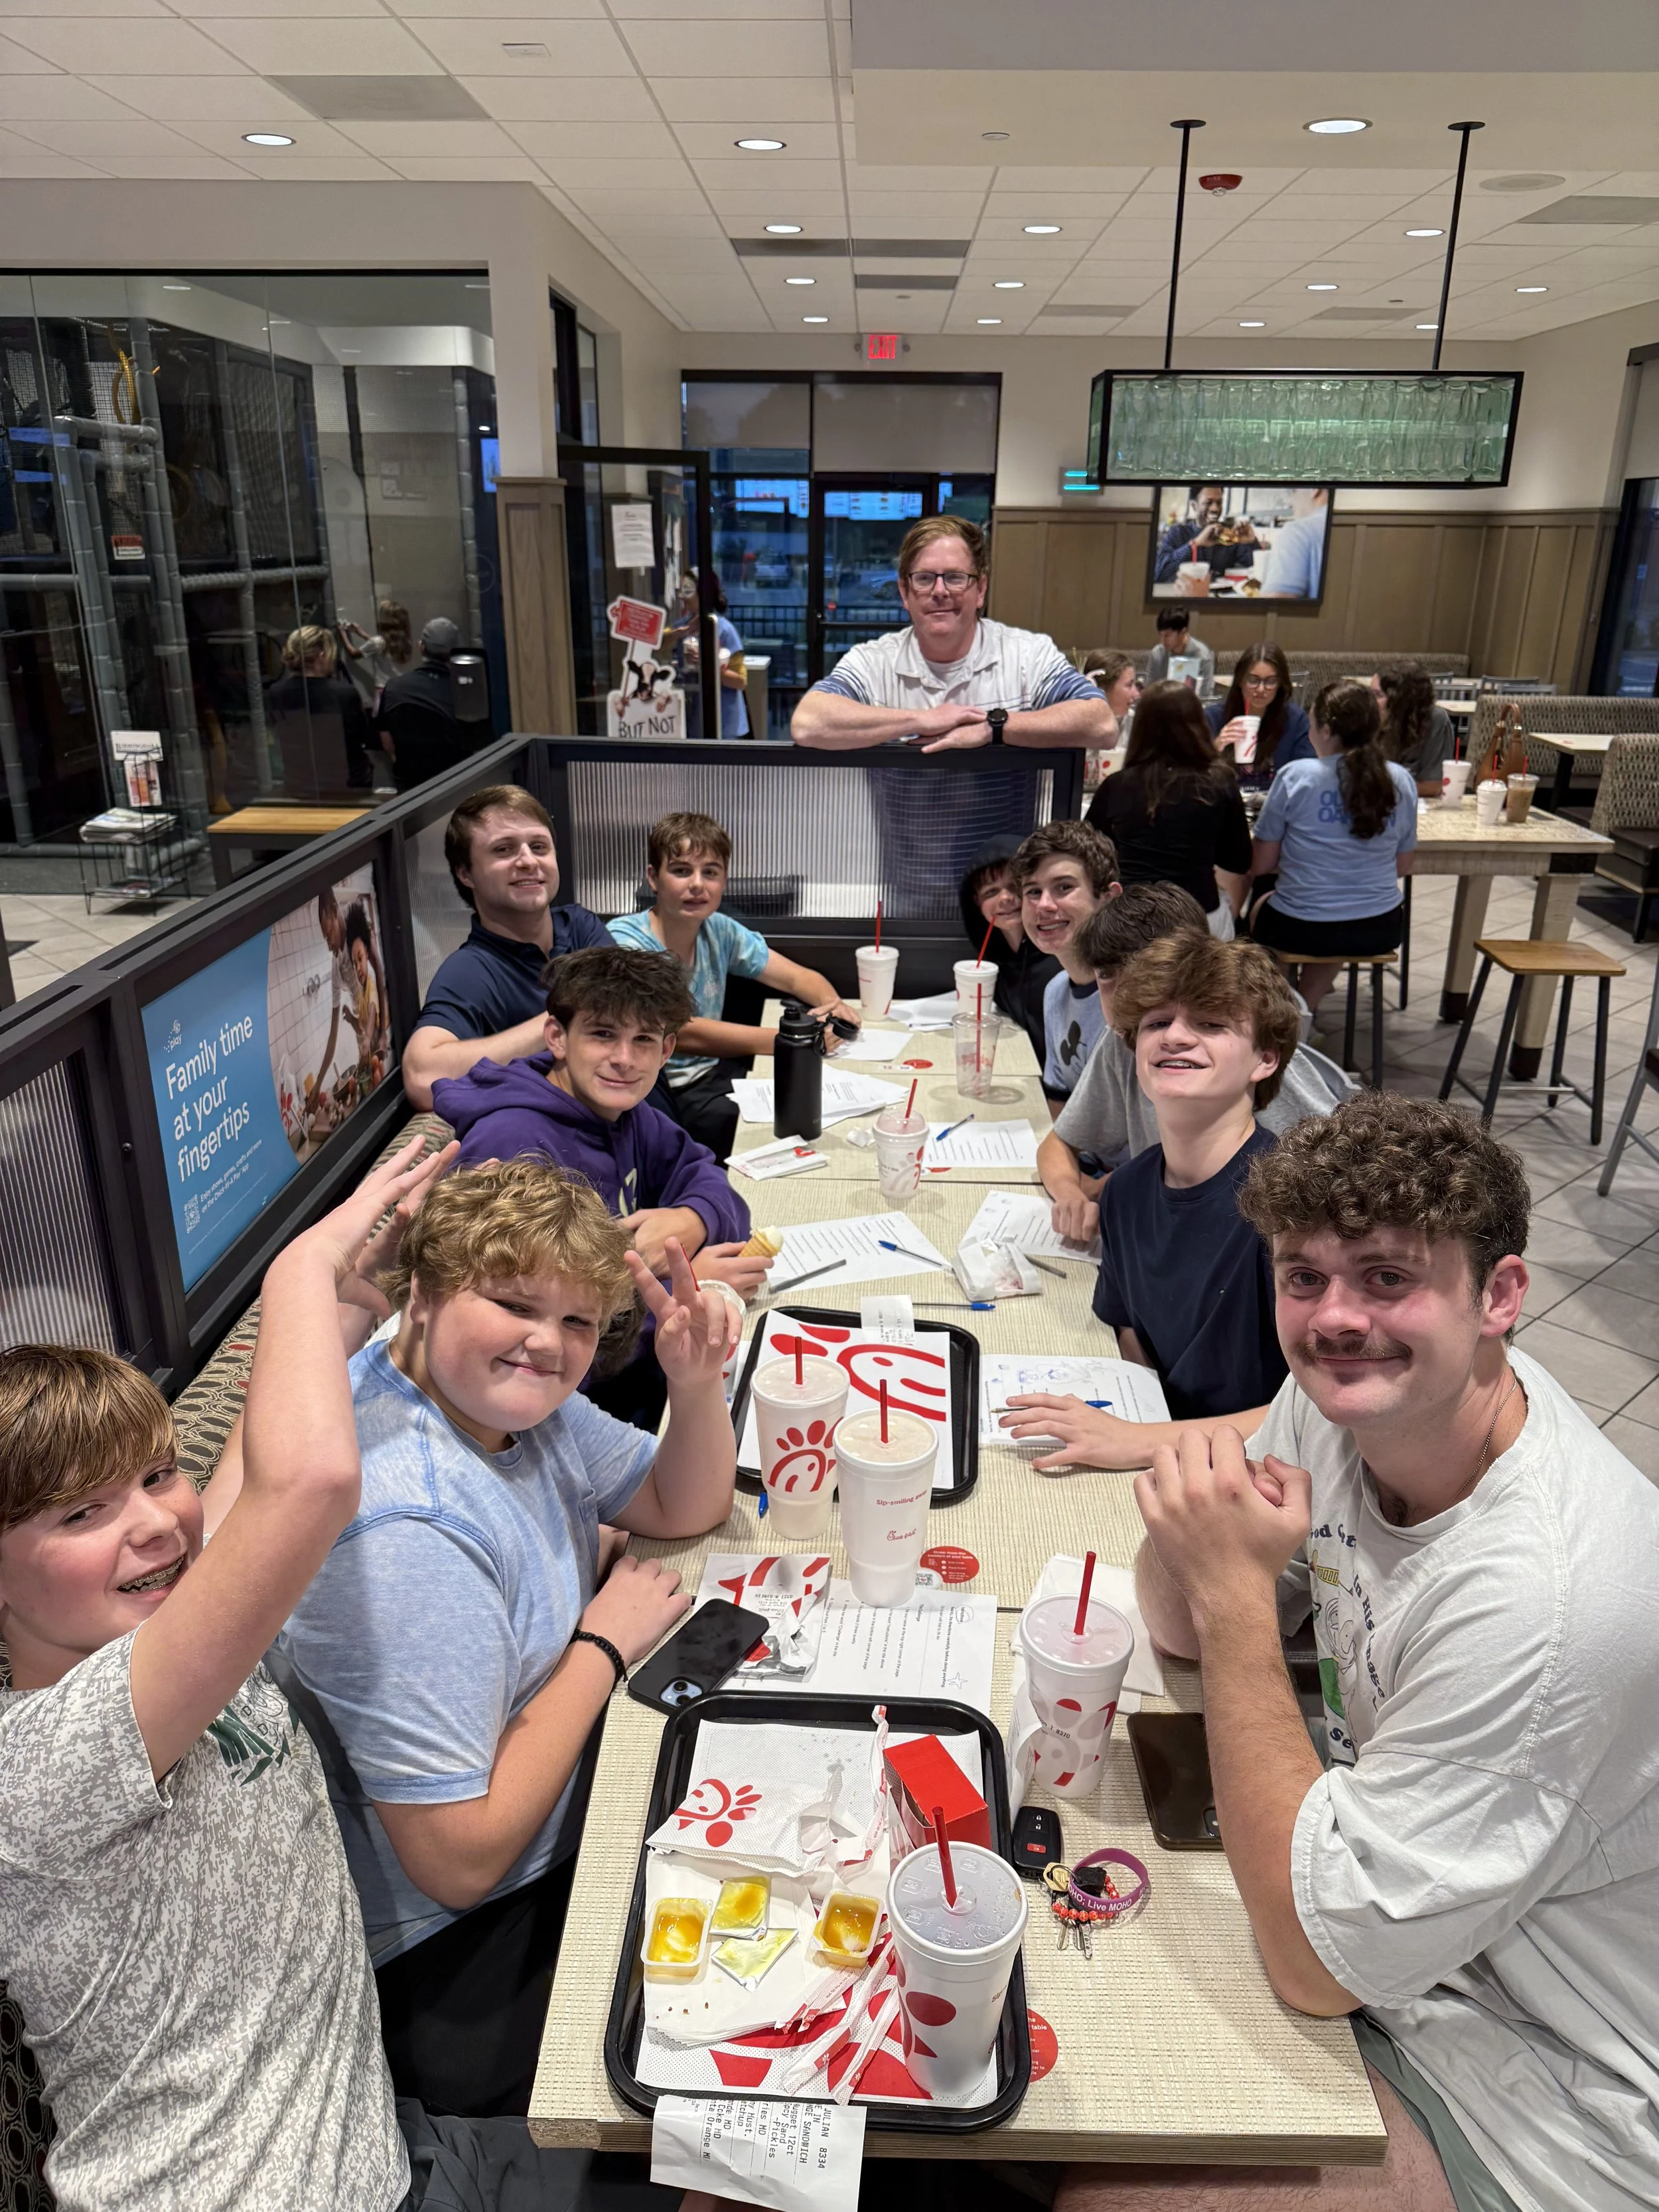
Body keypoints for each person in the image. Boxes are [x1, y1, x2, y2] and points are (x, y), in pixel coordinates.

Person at [0, 1140, 679, 2210]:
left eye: (153, 1474)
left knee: (745, 2136)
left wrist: (352, 1308)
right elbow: (307, 1481)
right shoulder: (52, 1749)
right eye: (79, 1515)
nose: (149, 1526)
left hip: (386, 2146)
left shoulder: (172, 1624)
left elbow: (226, 1507)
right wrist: (298, 1268)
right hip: (248, 2193)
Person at [1120, 1093, 1659, 2212]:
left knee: (1126, 2162)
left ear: (1499, 1295)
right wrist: (1208, 1549)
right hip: (1401, 1931)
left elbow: (1316, 1966)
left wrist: (1230, 1593)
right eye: (1304, 1276)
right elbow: (1175, 1624)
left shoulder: (1547, 1597)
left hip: (1543, 2082)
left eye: (1387, 1276)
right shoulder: (1350, 1401)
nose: (1335, 1317)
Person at [270, 1157, 738, 2119]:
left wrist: (693, 1387)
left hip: (547, 1817)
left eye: (575, 1321)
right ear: (428, 1294)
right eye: (514, 1302)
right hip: (456, 1944)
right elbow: (457, 1857)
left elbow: (678, 1502)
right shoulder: (407, 1531)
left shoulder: (500, 1401)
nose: (547, 1343)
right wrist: (600, 1648)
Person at [1001, 932, 1300, 1473]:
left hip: (1260, 1473)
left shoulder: (1291, 1204)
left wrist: (1142, 1440)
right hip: (1164, 1452)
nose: (1176, 1037)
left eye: (1210, 1024)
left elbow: (1317, 1410)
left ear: (1265, 1059)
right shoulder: (1126, 1191)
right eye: (1157, 1023)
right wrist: (1139, 1422)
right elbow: (1132, 1332)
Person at [432, 947, 764, 1428]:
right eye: (603, 1033)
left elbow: (715, 1183)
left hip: (643, 1374)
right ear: (557, 1037)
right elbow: (527, 1340)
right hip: (559, 1415)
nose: (624, 1059)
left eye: (644, 1039)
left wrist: (692, 1220)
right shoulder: (513, 1146)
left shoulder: (627, 1114)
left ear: (667, 1049)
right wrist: (681, 1289)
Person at [1037, 883, 1338, 1240]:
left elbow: (1342, 1169)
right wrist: (1075, 1194)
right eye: (1106, 978)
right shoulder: (1125, 1040)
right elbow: (1061, 1142)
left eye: (1148, 978)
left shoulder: (1242, 1058)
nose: (1125, 997)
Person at [609, 811, 859, 1162]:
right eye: (681, 871)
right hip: (656, 1089)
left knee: (813, 1114)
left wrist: (833, 1004)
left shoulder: (720, 929)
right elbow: (677, 1030)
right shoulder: (627, 941)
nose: (698, 884)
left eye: (710, 872)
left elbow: (797, 977)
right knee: (776, 1136)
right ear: (653, 878)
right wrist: (792, 1042)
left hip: (713, 1073)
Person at [790, 516, 1117, 755]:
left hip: (1011, 849)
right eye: (924, 578)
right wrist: (923, 720)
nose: (940, 591)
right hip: (903, 850)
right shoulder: (874, 661)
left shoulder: (1027, 654)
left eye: (956, 578)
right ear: (905, 592)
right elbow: (809, 723)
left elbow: (1101, 724)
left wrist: (994, 727)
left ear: (981, 590)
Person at [403, 786, 613, 1112]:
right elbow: (422, 1078)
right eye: (504, 850)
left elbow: (640, 1009)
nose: (529, 861)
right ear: (465, 873)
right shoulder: (470, 971)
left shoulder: (579, 926)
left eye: (540, 847)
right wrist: (567, 1019)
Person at [1250, 678, 1418, 1011]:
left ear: (1325, 730)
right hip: (1378, 926)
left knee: (1263, 905)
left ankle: (1287, 1011)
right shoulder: (1399, 779)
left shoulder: (1297, 776)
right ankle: (1303, 1012)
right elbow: (1403, 866)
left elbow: (1261, 864)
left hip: (1302, 926)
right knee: (1337, 921)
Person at [1085, 680, 1252, 935]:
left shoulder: (1117, 785)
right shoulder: (1219, 782)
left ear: (1141, 728)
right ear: (1198, 725)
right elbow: (1239, 861)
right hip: (1199, 916)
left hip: (1131, 921)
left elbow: (1090, 853)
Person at [1010, 819, 1121, 1104]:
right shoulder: (1056, 991)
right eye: (1033, 892)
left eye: (1063, 888)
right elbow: (1060, 1105)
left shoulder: (1137, 998)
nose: (1044, 905)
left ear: (1108, 898)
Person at [957, 835, 1058, 1060]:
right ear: (976, 902)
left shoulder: (1059, 958)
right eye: (991, 892)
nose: (1005, 898)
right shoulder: (993, 962)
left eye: (1014, 887)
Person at [266, 623, 375, 793]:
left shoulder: (276, 692)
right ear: (322, 656)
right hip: (345, 782)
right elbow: (362, 736)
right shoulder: (344, 693)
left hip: (298, 781)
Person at [378, 617, 476, 794]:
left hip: (409, 792)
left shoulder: (394, 688)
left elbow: (387, 742)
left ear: (421, 647)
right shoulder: (467, 692)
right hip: (457, 789)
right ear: (457, 652)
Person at [1205, 642, 1313, 792]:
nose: (1261, 689)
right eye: (1253, 680)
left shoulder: (1295, 721)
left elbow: (1307, 774)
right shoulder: (1214, 718)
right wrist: (1215, 749)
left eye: (1270, 682)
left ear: (1280, 684)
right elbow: (1192, 777)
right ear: (1240, 681)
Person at [668, 577, 750, 741]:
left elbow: (740, 681)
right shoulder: (682, 626)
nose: (682, 597)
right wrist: (678, 634)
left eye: (687, 590)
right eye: (681, 590)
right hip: (692, 716)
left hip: (723, 719)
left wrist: (708, 665)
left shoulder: (724, 630)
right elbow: (657, 643)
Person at [1373, 659, 1456, 798]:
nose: (1371, 701)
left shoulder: (1435, 720)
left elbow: (1434, 786)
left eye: (1378, 695)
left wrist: (1377, 788)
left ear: (1400, 701)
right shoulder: (1370, 717)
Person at [1153, 484, 1263, 585]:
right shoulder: (1178, 533)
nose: (1215, 508)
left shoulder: (1230, 535)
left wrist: (1252, 542)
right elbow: (1159, 573)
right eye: (1208, 503)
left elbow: (1259, 572)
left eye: (1219, 503)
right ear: (1194, 505)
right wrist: (1195, 544)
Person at [1262, 486, 1331, 600]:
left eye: (1294, 491)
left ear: (1315, 489)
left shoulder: (1298, 531)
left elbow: (1275, 604)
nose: (1290, 502)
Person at [1144, 605, 1215, 688]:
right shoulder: (1157, 653)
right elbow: (1148, 689)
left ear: (1183, 632)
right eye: (1161, 635)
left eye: (1168, 635)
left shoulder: (1203, 656)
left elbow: (1205, 696)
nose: (1162, 641)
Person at [1081, 649, 1141, 729]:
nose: (1136, 694)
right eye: (1129, 685)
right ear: (1102, 688)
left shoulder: (1135, 725)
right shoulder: (1073, 728)